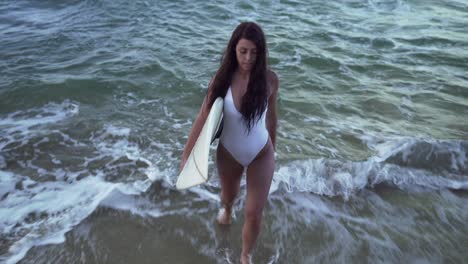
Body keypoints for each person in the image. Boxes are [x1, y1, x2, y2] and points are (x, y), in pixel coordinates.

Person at [180, 22, 278, 264]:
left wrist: (273, 149)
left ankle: (246, 256)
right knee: (228, 198)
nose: (248, 58)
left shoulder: (270, 80)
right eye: (243, 51)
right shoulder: (222, 80)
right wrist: (187, 156)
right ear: (234, 50)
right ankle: (226, 207)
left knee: (254, 214)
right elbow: (203, 118)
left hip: (261, 154)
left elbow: (272, 117)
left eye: (254, 52)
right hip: (229, 153)